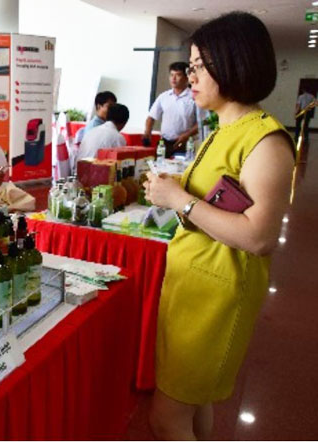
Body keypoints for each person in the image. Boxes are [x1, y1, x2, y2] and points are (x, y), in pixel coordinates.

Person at [143, 12, 295, 440]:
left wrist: (180, 199)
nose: (189, 76)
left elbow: (260, 236)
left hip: (218, 295)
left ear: (233, 62)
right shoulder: (222, 130)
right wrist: (176, 193)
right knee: (194, 401)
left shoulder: (265, 140)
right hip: (192, 285)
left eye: (197, 66)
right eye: (190, 66)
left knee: (166, 417)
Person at [143, 62, 198, 158]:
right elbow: (151, 117)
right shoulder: (164, 96)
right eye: (172, 75)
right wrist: (147, 132)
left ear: (187, 78)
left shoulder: (194, 97)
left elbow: (202, 121)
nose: (174, 78)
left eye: (178, 75)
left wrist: (186, 135)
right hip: (164, 142)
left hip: (185, 143)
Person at [74, 103, 129, 171]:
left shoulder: (92, 131)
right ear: (124, 122)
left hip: (78, 173)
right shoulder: (118, 138)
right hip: (95, 177)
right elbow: (120, 166)